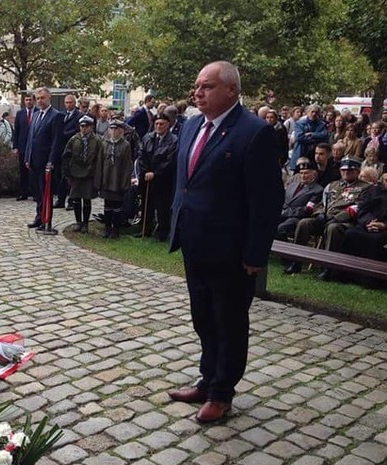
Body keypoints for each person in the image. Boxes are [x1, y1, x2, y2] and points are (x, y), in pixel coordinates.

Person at [167, 61, 283, 423]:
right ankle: (207, 379)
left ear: (231, 90)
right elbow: (186, 183)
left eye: (207, 86)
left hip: (231, 251)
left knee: (228, 322)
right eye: (196, 86)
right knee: (202, 317)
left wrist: (255, 252)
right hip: (194, 241)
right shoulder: (191, 125)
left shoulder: (253, 132)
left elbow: (267, 200)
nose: (197, 93)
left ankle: (221, 393)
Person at [285, 157, 371, 276]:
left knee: (333, 228)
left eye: (350, 170)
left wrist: (337, 218)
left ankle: (328, 268)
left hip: (345, 222)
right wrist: (320, 214)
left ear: (357, 171)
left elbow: (358, 208)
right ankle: (296, 261)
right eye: (343, 170)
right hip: (325, 217)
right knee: (304, 223)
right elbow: (321, 203)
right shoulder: (332, 185)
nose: (346, 172)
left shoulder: (365, 188)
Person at [24, 87, 61, 231]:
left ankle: (47, 220)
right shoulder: (35, 114)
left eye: (42, 98)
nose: (40, 101)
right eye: (38, 98)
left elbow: (56, 142)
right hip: (34, 160)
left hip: (46, 162)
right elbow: (31, 138)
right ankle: (39, 217)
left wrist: (51, 161)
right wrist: (27, 157)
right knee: (37, 193)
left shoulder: (56, 116)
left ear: (49, 98)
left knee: (46, 192)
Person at [136, 113, 178, 241]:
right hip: (146, 177)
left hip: (163, 179)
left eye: (161, 124)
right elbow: (141, 154)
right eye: (156, 124)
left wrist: (155, 173)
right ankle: (145, 229)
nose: (159, 126)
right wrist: (146, 170)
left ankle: (162, 232)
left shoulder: (173, 140)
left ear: (168, 125)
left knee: (162, 206)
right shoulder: (148, 137)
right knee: (146, 204)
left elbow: (169, 161)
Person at [62, 115, 102, 233]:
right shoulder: (74, 139)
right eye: (82, 126)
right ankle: (78, 221)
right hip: (76, 173)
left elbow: (100, 158)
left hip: (89, 173)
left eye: (86, 126)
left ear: (91, 127)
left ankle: (85, 223)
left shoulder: (97, 140)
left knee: (87, 199)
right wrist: (67, 172)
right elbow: (66, 156)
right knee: (76, 198)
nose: (84, 129)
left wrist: (97, 173)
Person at [96, 120, 134, 238]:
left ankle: (115, 229)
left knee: (117, 206)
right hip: (106, 179)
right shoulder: (104, 144)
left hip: (118, 179)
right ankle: (107, 228)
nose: (113, 131)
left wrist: (125, 182)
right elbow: (99, 163)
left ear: (121, 131)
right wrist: (98, 181)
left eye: (116, 129)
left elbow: (127, 165)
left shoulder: (125, 145)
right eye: (111, 129)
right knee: (107, 205)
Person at [342, 172, 387, 263]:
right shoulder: (373, 191)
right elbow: (363, 209)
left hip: (384, 229)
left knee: (375, 240)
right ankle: (345, 267)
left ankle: (371, 271)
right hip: (367, 225)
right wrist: (369, 222)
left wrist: (384, 225)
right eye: (386, 180)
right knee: (350, 233)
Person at [276, 158, 323, 242]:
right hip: (282, 213)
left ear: (314, 174)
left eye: (306, 173)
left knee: (280, 228)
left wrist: (286, 213)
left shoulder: (317, 190)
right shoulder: (292, 185)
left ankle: (286, 249)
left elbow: (307, 210)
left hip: (297, 218)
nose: (303, 176)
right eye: (301, 173)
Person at [53, 94, 82, 210]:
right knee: (60, 176)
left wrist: (63, 134)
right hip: (61, 149)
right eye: (66, 102)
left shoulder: (79, 116)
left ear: (75, 103)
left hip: (72, 149)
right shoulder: (61, 115)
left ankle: (72, 201)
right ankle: (60, 199)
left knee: (71, 176)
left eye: (70, 102)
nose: (68, 105)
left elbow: (77, 130)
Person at [12, 93, 35, 201]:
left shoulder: (38, 112)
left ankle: (35, 193)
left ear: (34, 101)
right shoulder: (20, 114)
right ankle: (23, 192)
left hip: (34, 146)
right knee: (23, 171)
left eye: (30, 100)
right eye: (26, 100)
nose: (28, 102)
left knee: (34, 171)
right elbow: (16, 131)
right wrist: (15, 146)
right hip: (22, 146)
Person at [291, 104, 327, 169]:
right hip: (301, 152)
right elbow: (299, 137)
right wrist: (316, 138)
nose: (314, 114)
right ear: (307, 112)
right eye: (312, 112)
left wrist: (312, 134)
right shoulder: (300, 123)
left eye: (316, 112)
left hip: (315, 154)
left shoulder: (322, 124)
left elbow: (324, 136)